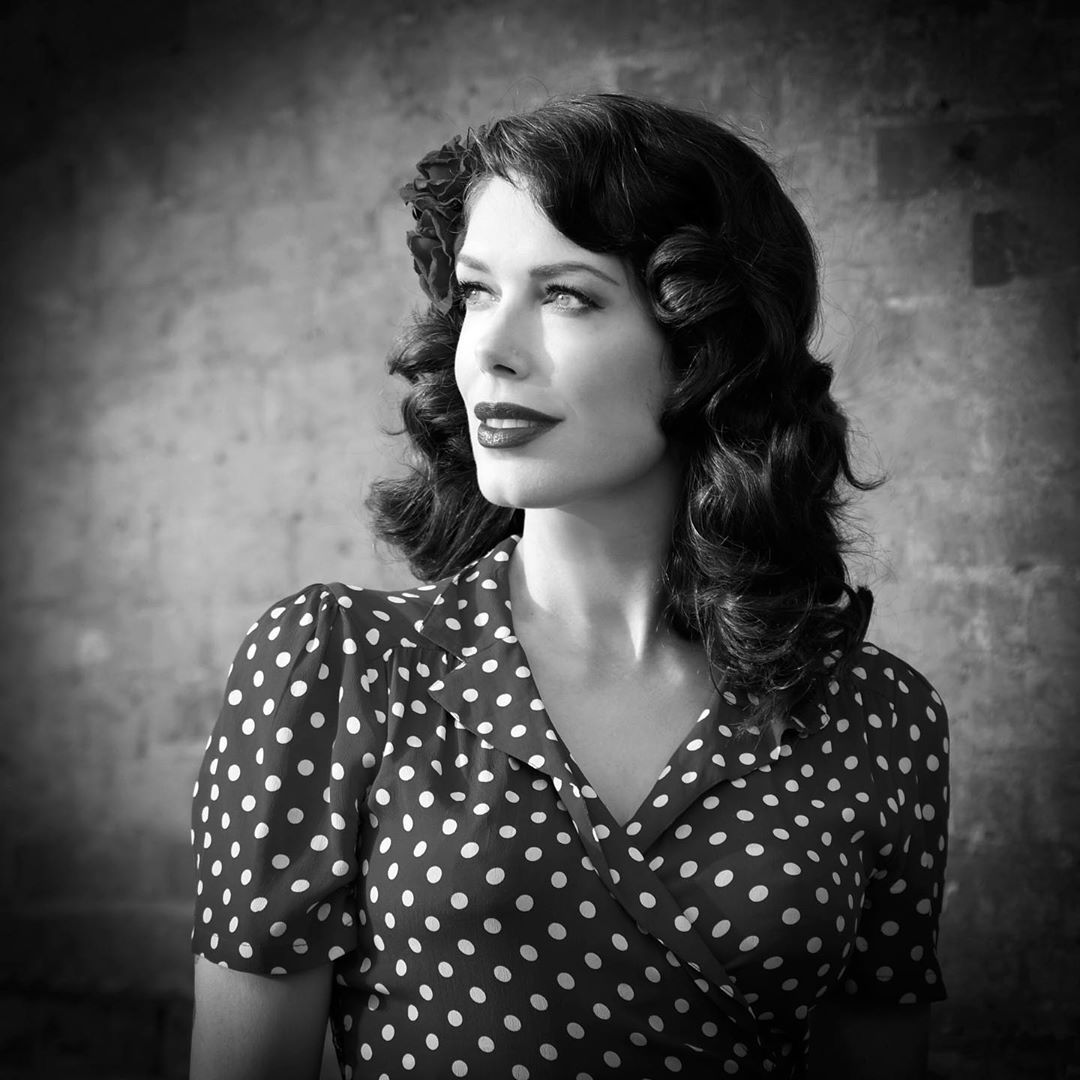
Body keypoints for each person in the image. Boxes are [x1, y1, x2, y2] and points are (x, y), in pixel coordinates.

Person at [189, 93, 948, 1080]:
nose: (491, 350)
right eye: (476, 292)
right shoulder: (337, 666)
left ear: (706, 344)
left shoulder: (877, 718)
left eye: (566, 296)